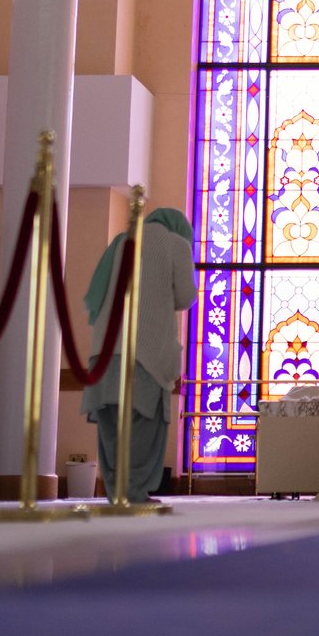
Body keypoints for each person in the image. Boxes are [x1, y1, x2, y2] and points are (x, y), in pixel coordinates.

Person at [80, 206, 198, 503]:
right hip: (145, 356)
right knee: (143, 429)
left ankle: (116, 493)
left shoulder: (122, 240)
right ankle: (133, 493)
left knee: (112, 431)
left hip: (104, 355)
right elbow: (185, 296)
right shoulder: (176, 243)